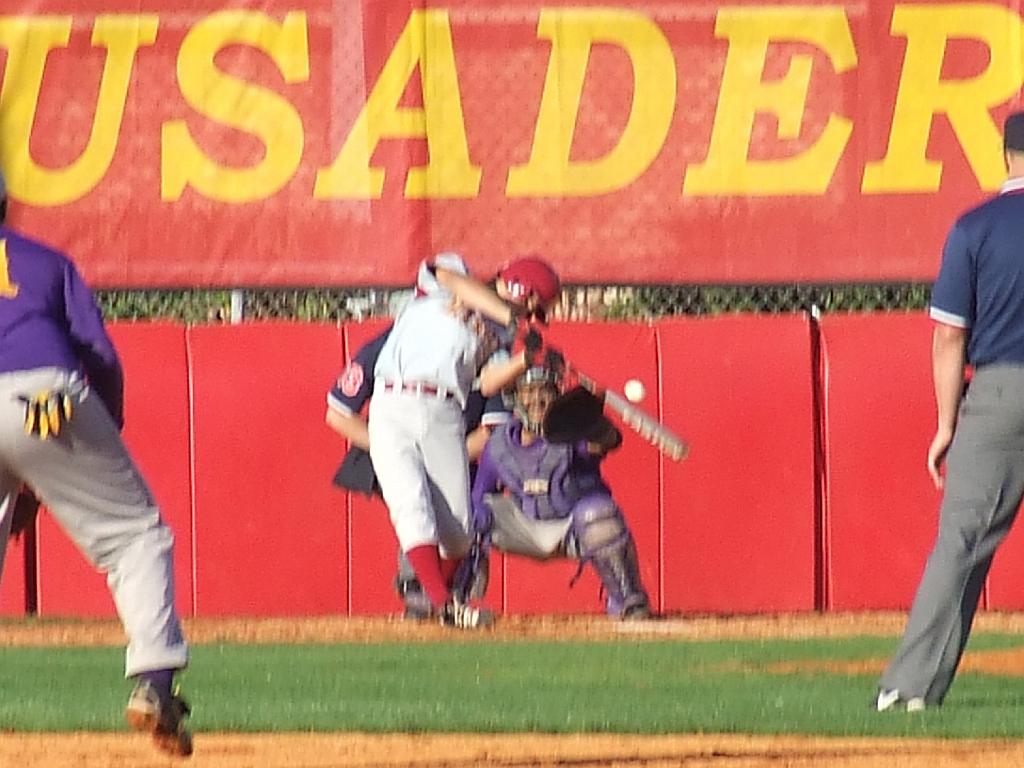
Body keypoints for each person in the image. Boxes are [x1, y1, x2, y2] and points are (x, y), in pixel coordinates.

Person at [0, 173, 192, 755]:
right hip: (44, 399)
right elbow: (100, 358)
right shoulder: (44, 261)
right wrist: (102, 425)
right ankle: (156, 682)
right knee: (135, 536)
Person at [876, 111, 1024, 712]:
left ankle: (908, 690)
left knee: (961, 542)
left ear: (1005, 156)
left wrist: (946, 424)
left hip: (998, 394)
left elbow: (948, 338)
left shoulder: (975, 228)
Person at [326, 257, 562, 619]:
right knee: (412, 508)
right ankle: (444, 605)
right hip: (396, 399)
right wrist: (509, 318)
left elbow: (485, 383)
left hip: (445, 411)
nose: (533, 317)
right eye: (536, 308)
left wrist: (527, 360)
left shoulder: (500, 334)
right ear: (526, 294)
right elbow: (449, 277)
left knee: (459, 533)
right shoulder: (456, 277)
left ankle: (441, 600)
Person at [466, 358, 653, 620]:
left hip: (572, 529)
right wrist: (476, 524)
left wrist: (598, 427)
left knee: (599, 514)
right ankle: (449, 600)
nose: (538, 402)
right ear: (514, 398)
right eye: (529, 392)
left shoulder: (572, 435)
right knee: (460, 513)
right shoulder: (499, 444)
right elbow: (479, 493)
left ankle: (627, 600)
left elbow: (604, 444)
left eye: (546, 392)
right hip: (525, 527)